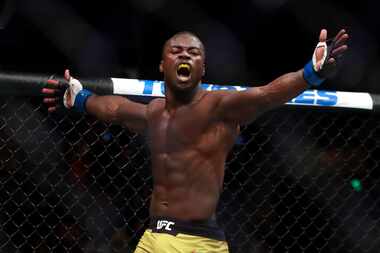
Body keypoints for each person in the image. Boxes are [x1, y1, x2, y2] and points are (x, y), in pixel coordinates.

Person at [42, 28, 349, 252]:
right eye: (176, 50)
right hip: (152, 237)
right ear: (163, 65)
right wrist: (80, 98)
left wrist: (310, 73)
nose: (185, 54)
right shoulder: (155, 113)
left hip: (197, 242)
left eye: (194, 52)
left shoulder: (219, 107)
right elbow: (116, 109)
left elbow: (268, 94)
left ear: (203, 68)